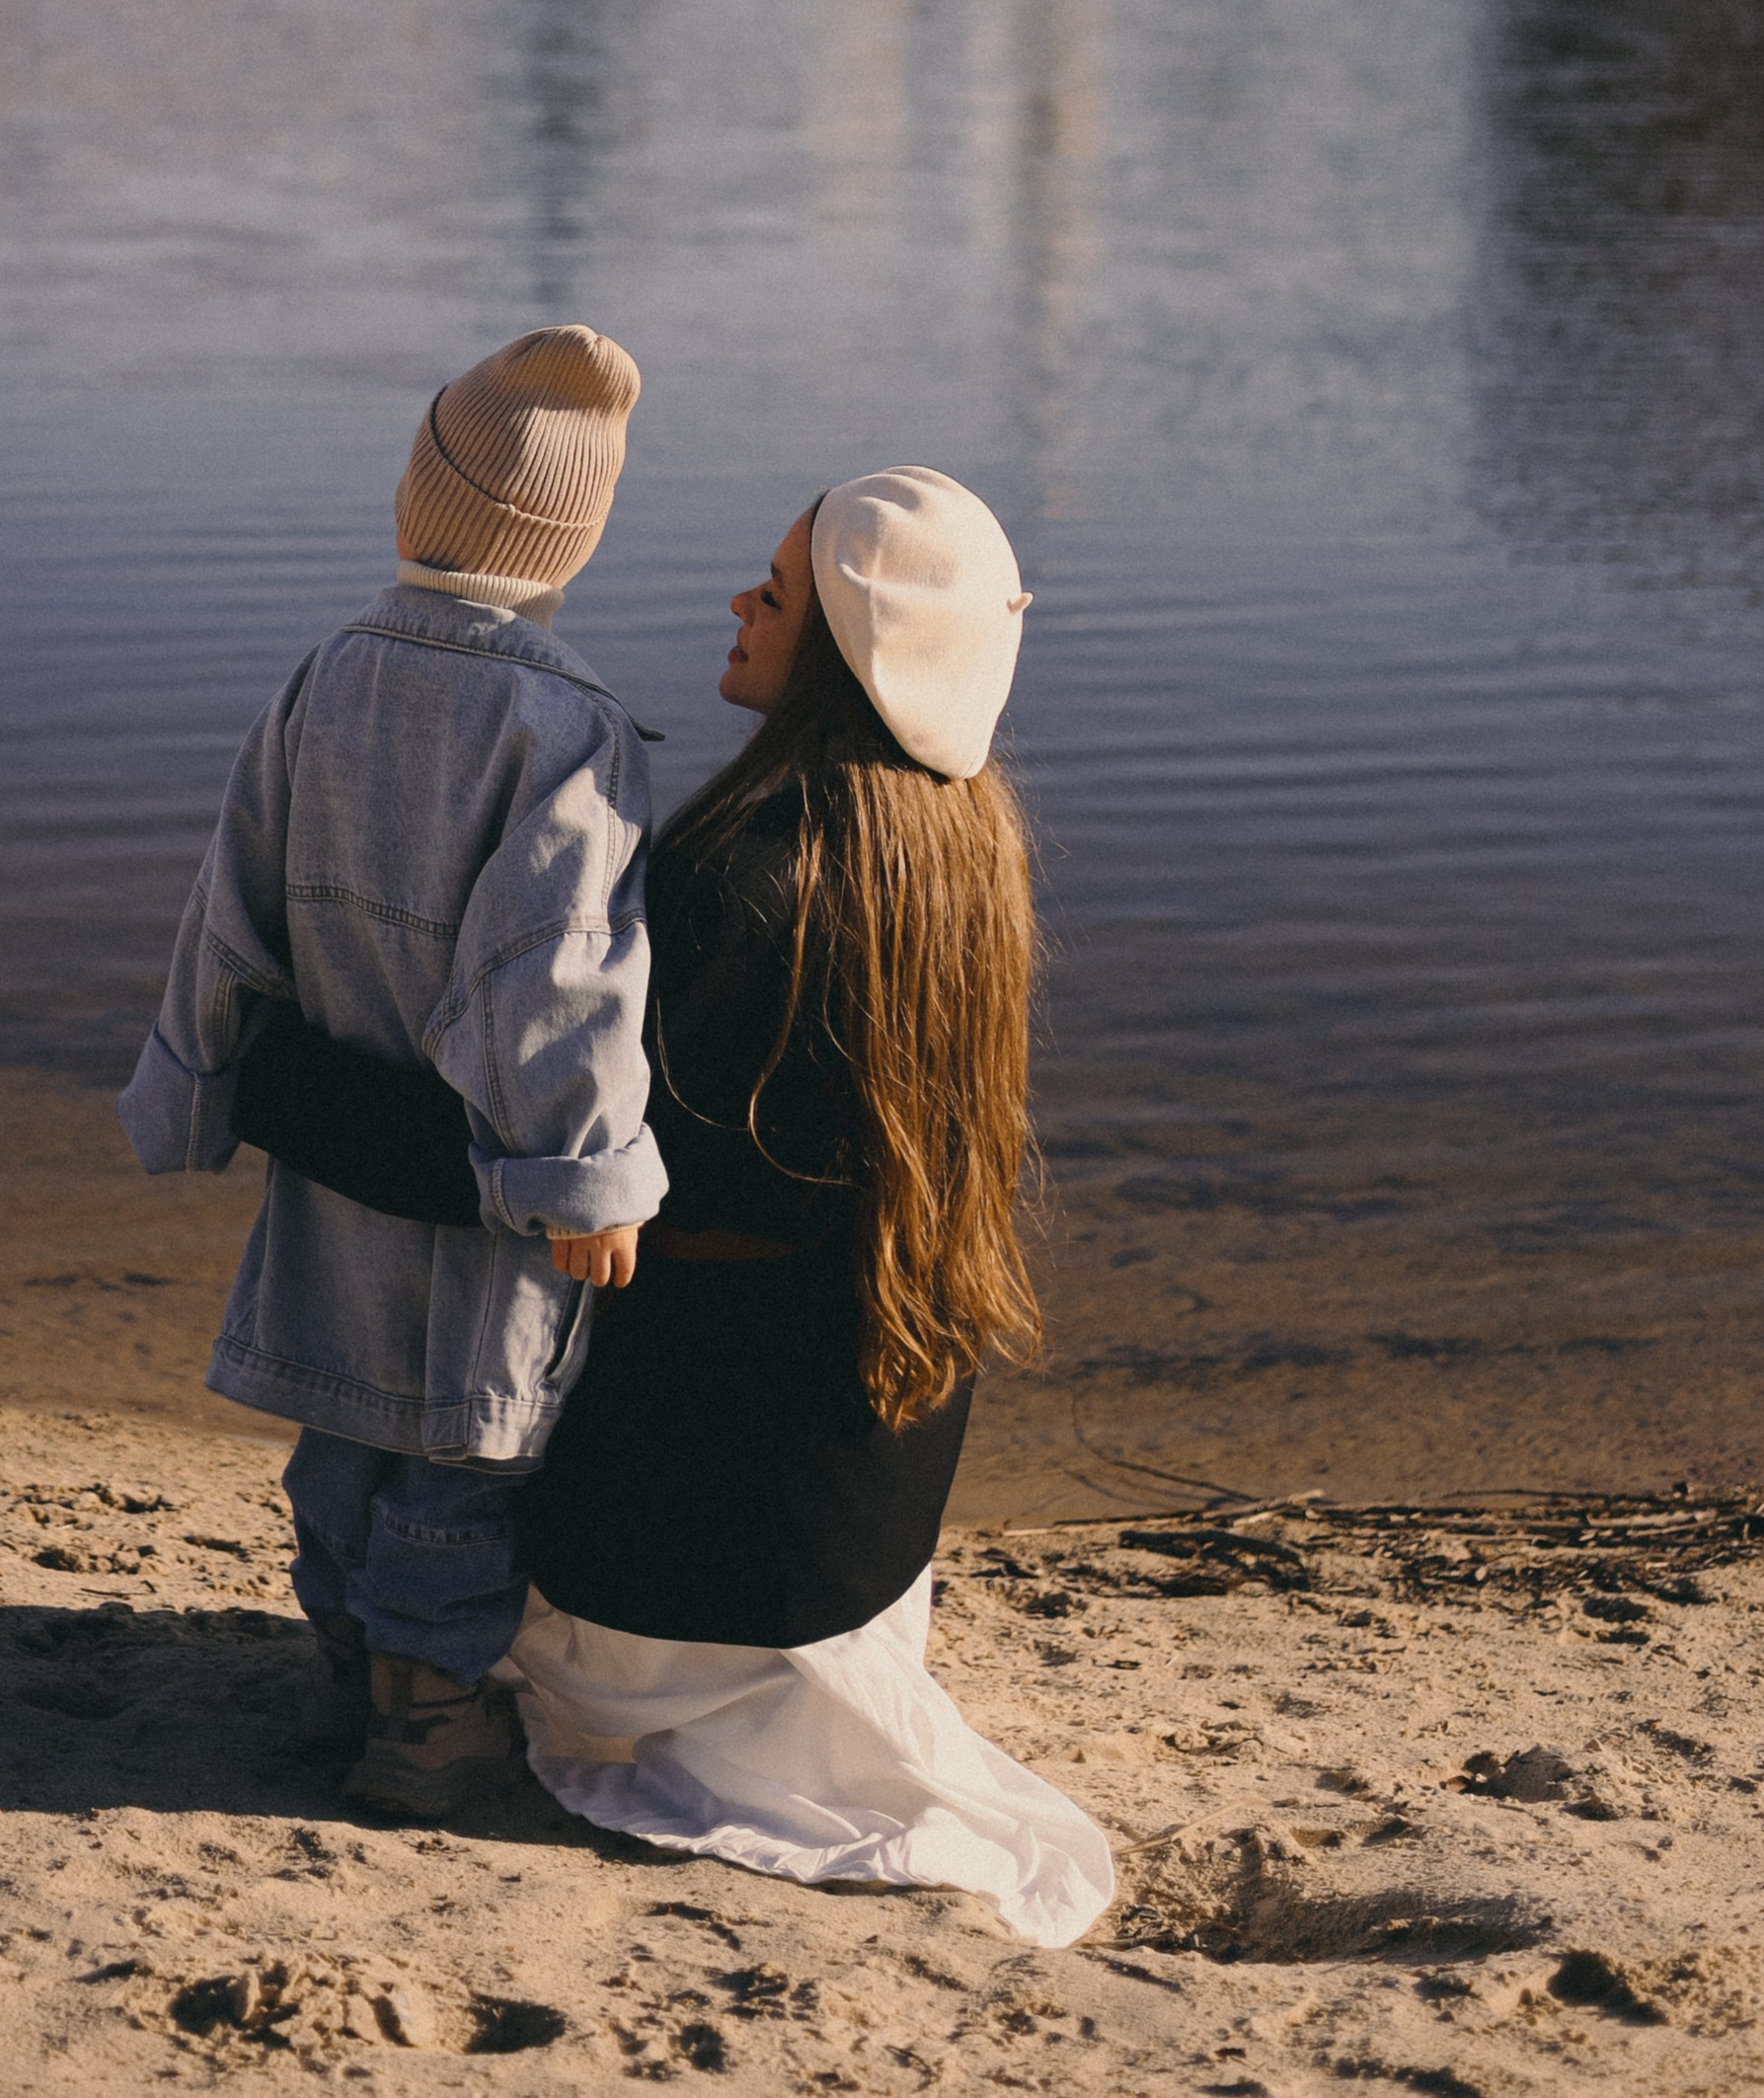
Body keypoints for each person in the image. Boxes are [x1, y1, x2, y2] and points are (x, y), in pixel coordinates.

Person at [233, 468, 1117, 1949]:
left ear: (840, 645)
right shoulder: (967, 855)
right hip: (855, 1524)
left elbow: (534, 1157)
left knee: (483, 1313)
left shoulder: (746, 882)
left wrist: (271, 1073)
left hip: (699, 1554)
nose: (739, 603)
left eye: (773, 593)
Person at [117, 327, 667, 1820]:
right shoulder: (566, 722)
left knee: (345, 1429)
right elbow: (558, 968)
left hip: (337, 1145)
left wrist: (191, 1082)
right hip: (477, 1176)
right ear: (577, 540)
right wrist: (586, 1173)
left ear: (413, 500)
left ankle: (342, 1673)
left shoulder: (328, 676)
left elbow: (227, 899)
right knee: (463, 1452)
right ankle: (426, 1732)